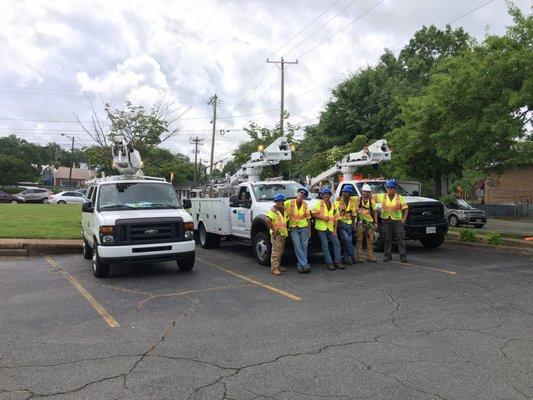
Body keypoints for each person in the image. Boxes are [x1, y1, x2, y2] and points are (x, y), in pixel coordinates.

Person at [375, 179, 409, 263]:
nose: (389, 189)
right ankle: (387, 255)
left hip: (397, 220)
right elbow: (370, 196)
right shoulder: (382, 196)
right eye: (387, 188)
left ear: (394, 189)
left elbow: (406, 208)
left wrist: (404, 218)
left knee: (400, 238)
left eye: (391, 188)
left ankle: (403, 256)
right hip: (386, 220)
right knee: (387, 238)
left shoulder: (399, 197)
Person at [311, 187, 342, 271]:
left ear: (330, 195)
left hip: (331, 228)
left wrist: (335, 230)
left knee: (337, 244)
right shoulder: (318, 204)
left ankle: (338, 261)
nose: (326, 196)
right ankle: (329, 263)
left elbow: (337, 218)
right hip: (321, 228)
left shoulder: (334, 205)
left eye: (328, 194)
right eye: (325, 194)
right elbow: (313, 214)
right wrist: (322, 217)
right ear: (322, 196)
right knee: (325, 245)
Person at [285, 188, 312, 273]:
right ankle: (305, 264)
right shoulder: (289, 202)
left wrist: (309, 231)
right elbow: (279, 205)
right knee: (297, 245)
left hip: (304, 227)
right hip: (294, 227)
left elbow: (308, 218)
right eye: (300, 193)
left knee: (304, 245)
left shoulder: (305, 204)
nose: (301, 195)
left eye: (303, 194)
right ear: (297, 193)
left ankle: (300, 264)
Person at [335, 184, 357, 265]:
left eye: (348, 192)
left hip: (349, 224)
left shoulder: (352, 201)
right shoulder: (338, 201)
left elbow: (354, 214)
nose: (347, 193)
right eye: (345, 192)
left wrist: (353, 225)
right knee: (347, 240)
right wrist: (339, 224)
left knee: (349, 241)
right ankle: (352, 255)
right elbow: (336, 213)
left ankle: (345, 257)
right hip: (342, 224)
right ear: (343, 192)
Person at [266, 193, 288, 276]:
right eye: (279, 201)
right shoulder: (273, 210)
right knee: (276, 252)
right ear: (276, 202)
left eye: (282, 201)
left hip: (282, 234)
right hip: (277, 234)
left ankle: (278, 266)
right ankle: (274, 268)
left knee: (280, 251)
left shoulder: (283, 210)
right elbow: (268, 220)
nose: (281, 203)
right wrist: (274, 230)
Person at [356, 184, 378, 262]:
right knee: (359, 239)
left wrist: (376, 223)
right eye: (364, 192)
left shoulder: (372, 202)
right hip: (360, 222)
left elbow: (375, 212)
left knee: (370, 240)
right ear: (362, 191)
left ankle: (370, 256)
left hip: (369, 223)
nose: (366, 193)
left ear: (370, 193)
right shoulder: (357, 200)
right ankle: (359, 257)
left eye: (367, 192)